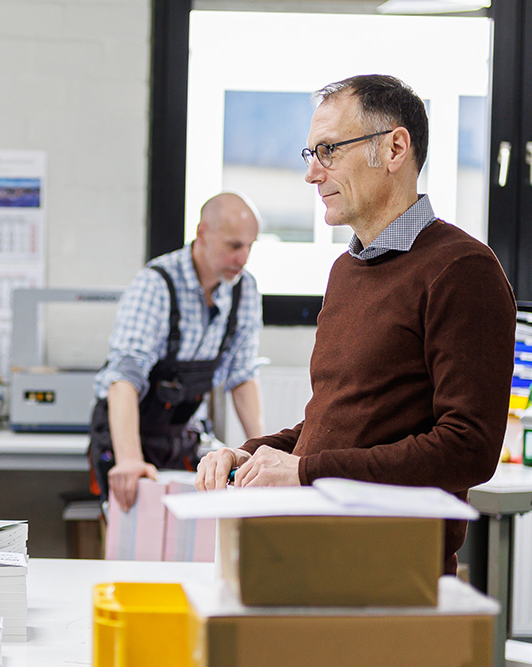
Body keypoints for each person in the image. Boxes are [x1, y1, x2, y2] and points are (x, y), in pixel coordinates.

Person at [194, 75, 516, 575]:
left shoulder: (462, 270)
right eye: (310, 154)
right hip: (315, 554)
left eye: (328, 150)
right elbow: (338, 422)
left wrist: (305, 472)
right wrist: (250, 454)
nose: (312, 174)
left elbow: (467, 448)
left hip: (388, 570)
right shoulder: (348, 270)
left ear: (394, 148)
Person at [90, 192, 264, 512]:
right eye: (234, 246)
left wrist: (263, 452)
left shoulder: (245, 289)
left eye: (250, 246)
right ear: (202, 233)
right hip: (130, 437)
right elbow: (124, 378)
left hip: (183, 435)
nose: (243, 258)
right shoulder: (156, 284)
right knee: (137, 541)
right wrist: (130, 460)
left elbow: (241, 377)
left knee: (191, 535)